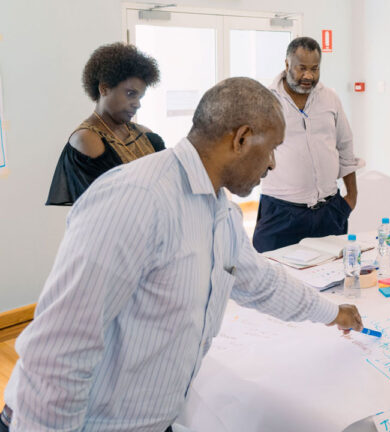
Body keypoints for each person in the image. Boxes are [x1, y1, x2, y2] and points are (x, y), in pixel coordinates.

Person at [1, 77, 363, 432]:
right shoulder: (137, 199)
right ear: (240, 138)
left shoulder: (219, 210)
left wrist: (333, 312)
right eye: (271, 149)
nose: (271, 165)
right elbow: (60, 351)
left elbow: (262, 283)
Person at [252, 36, 362, 253]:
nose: (308, 76)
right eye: (302, 68)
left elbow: (345, 146)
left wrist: (351, 197)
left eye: (315, 68)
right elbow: (253, 150)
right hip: (281, 211)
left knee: (331, 280)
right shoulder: (266, 99)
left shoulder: (329, 97)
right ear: (287, 65)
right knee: (273, 273)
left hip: (329, 210)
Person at [46, 42, 165, 206]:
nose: (137, 104)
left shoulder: (146, 135)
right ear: (104, 89)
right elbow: (110, 204)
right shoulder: (86, 139)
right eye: (131, 94)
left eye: (140, 97)